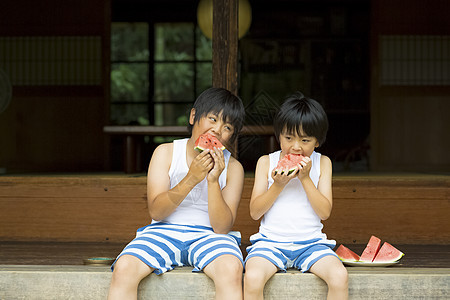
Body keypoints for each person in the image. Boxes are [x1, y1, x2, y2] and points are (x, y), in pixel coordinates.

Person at [108, 87, 246, 300]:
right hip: (163, 230)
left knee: (231, 269)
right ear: (193, 116)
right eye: (212, 118)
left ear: (232, 136)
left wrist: (212, 181)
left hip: (210, 235)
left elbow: (222, 227)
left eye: (227, 126)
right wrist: (191, 177)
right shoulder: (166, 153)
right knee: (124, 267)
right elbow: (157, 211)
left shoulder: (234, 168)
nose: (217, 130)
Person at [243, 92, 348, 300]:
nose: (296, 146)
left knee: (339, 276)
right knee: (252, 277)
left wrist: (306, 179)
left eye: (305, 139)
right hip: (269, 243)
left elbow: (324, 212)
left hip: (311, 244)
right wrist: (278, 185)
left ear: (318, 141)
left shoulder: (323, 163)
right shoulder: (265, 162)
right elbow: (255, 212)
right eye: (288, 138)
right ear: (278, 135)